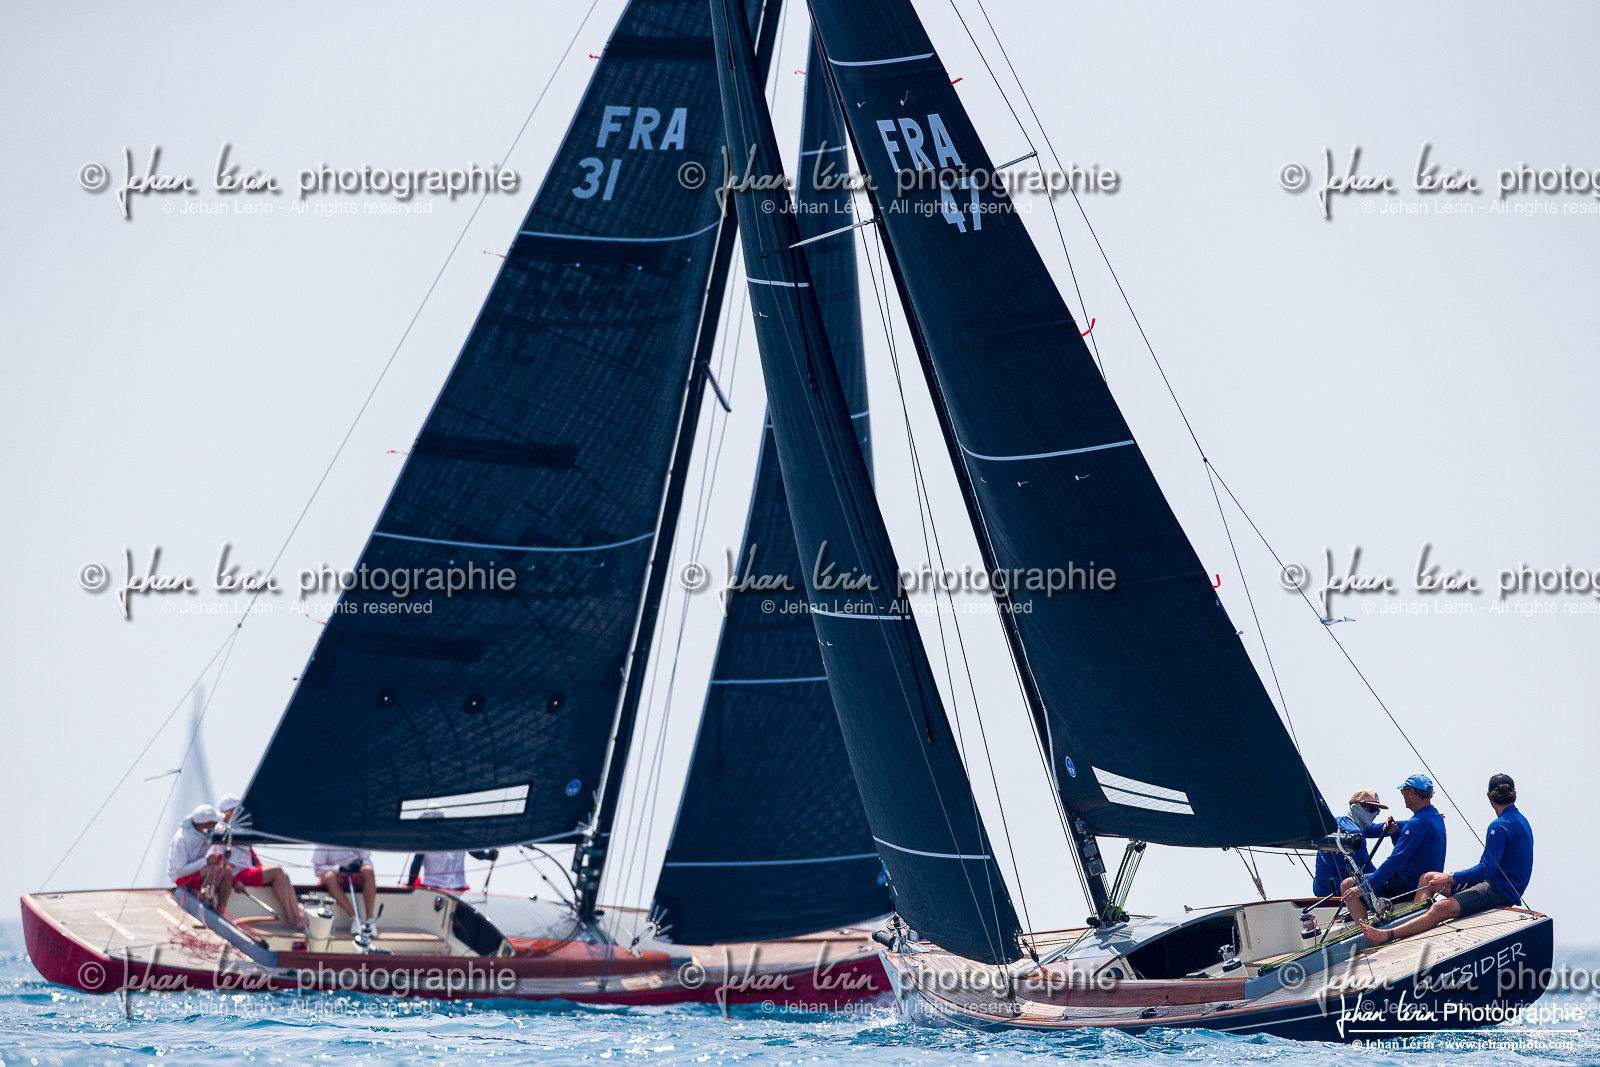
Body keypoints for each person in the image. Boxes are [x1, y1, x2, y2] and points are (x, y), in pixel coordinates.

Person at [1362, 773, 1533, 946]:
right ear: (1514, 793)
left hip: (1501, 891)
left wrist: (1450, 878)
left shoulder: (1499, 826)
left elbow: (1486, 868)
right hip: (1495, 882)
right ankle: (1415, 929)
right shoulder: (1521, 820)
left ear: (1488, 795)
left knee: (1439, 908)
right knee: (1428, 878)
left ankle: (1388, 935)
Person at [1341, 773, 1446, 923]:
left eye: (1403, 792)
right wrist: (1395, 833)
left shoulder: (1417, 823)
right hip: (1415, 881)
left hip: (1407, 884)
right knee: (1374, 881)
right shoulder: (1435, 817)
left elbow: (1395, 861)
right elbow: (1409, 851)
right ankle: (1382, 919)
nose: (1403, 796)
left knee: (1347, 885)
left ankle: (1367, 935)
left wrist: (1362, 888)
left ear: (1411, 792)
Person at [215, 794, 305, 930]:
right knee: (277, 870)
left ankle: (297, 915)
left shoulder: (239, 829)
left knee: (283, 875)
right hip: (237, 874)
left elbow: (249, 857)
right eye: (236, 810)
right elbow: (218, 862)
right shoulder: (220, 830)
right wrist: (233, 880)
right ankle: (292, 916)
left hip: (246, 871)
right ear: (228, 812)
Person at [1313, 789, 1389, 897]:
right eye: (1372, 809)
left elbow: (1378, 828)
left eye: (1378, 810)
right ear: (1356, 807)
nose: (1375, 814)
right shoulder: (1355, 834)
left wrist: (1412, 825)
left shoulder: (1336, 822)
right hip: (1341, 898)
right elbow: (1369, 871)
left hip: (1320, 894)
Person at [403, 807, 499, 892]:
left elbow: (416, 865)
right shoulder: (460, 837)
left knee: (409, 883)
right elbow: (478, 854)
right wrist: (490, 856)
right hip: (459, 890)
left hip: (432, 890)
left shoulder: (426, 840)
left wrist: (410, 885)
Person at [167, 805, 232, 907]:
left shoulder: (205, 831)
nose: (216, 824)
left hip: (198, 872)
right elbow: (179, 872)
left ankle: (221, 908)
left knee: (226, 871)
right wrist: (205, 861)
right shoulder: (182, 839)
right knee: (214, 868)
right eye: (214, 822)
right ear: (205, 825)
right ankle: (204, 898)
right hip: (180, 878)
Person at [312, 846, 377, 937]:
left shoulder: (360, 835)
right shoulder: (324, 839)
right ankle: (355, 918)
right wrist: (338, 869)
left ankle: (370, 921)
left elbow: (367, 860)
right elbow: (317, 870)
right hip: (336, 877)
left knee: (368, 871)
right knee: (329, 877)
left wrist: (359, 865)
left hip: (355, 876)